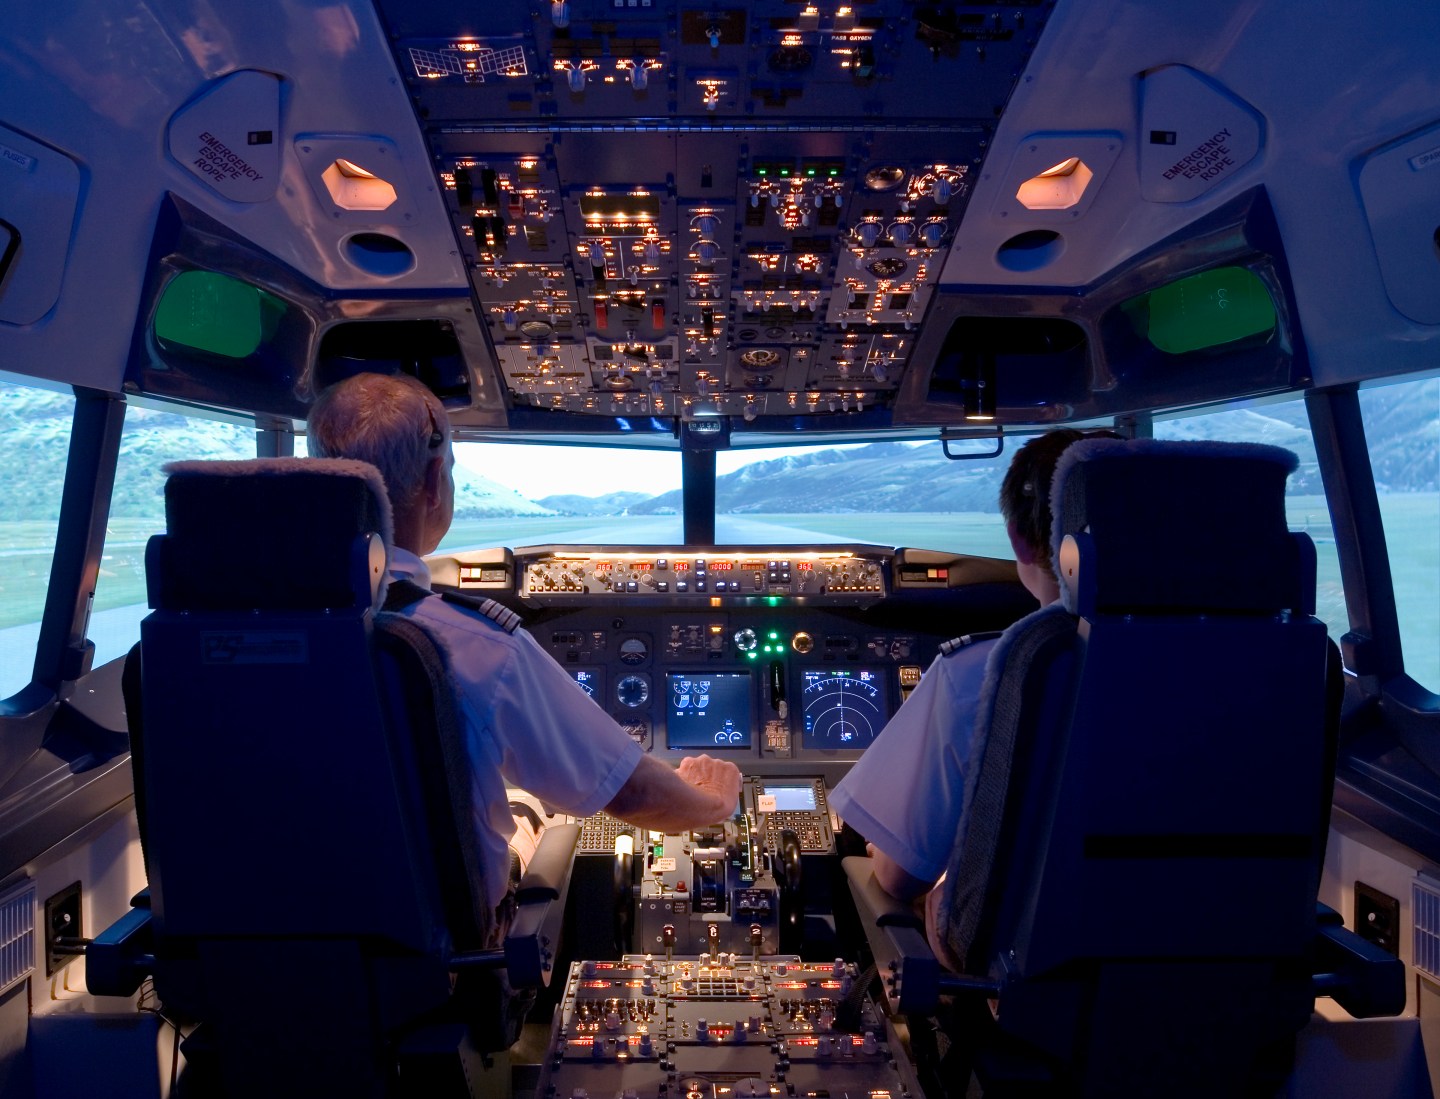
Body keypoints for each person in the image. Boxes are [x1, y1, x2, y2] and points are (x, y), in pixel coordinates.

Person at [306, 371, 743, 919]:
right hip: (433, 975)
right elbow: (632, 795)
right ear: (434, 480)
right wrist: (714, 803)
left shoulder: (208, 638)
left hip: (234, 969)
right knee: (532, 812)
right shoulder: (472, 645)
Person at [829, 428, 1113, 965]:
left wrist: (886, 853)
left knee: (866, 864)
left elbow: (898, 875)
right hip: (1218, 980)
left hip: (1026, 990)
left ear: (1020, 541)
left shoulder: (993, 670)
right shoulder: (1260, 662)